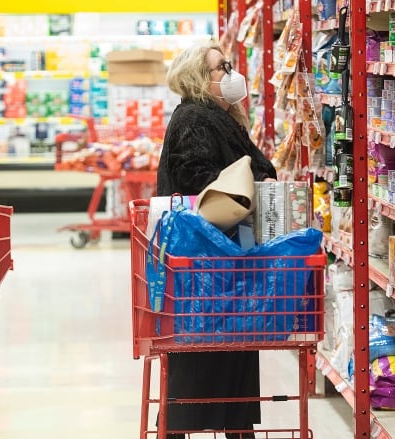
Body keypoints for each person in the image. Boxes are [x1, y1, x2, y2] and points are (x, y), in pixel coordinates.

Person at [156, 42, 277, 439]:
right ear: (197, 78)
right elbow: (197, 183)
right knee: (205, 359)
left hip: (225, 262)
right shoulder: (195, 119)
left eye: (230, 65)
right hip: (207, 265)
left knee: (231, 358)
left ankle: (235, 428)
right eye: (221, 68)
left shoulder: (219, 118)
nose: (231, 74)